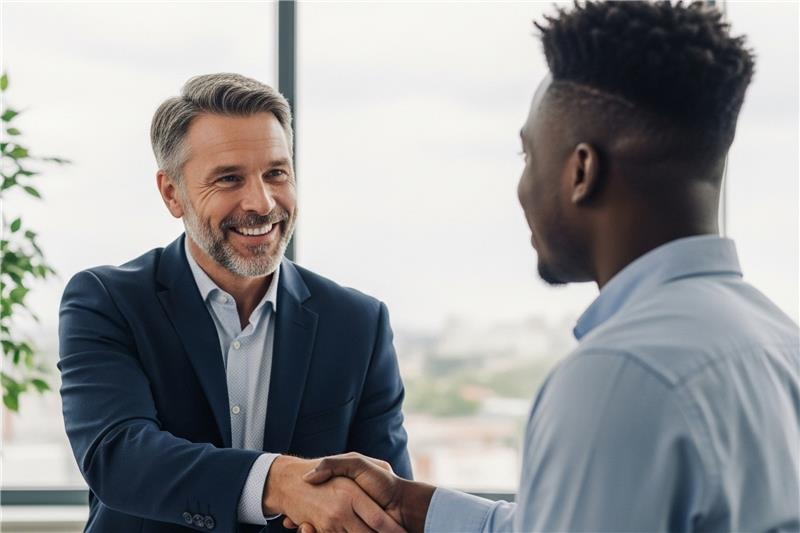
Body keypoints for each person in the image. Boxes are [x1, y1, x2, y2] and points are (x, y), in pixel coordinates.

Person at [292, 2, 800, 531]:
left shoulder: (616, 376)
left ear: (582, 170)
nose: (521, 189)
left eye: (528, 157)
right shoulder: (779, 344)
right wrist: (410, 505)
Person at [58, 73, 411, 533]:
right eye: (229, 178)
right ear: (172, 194)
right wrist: (278, 480)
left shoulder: (358, 323)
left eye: (276, 174)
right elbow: (119, 456)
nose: (262, 203)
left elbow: (387, 500)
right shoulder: (106, 301)